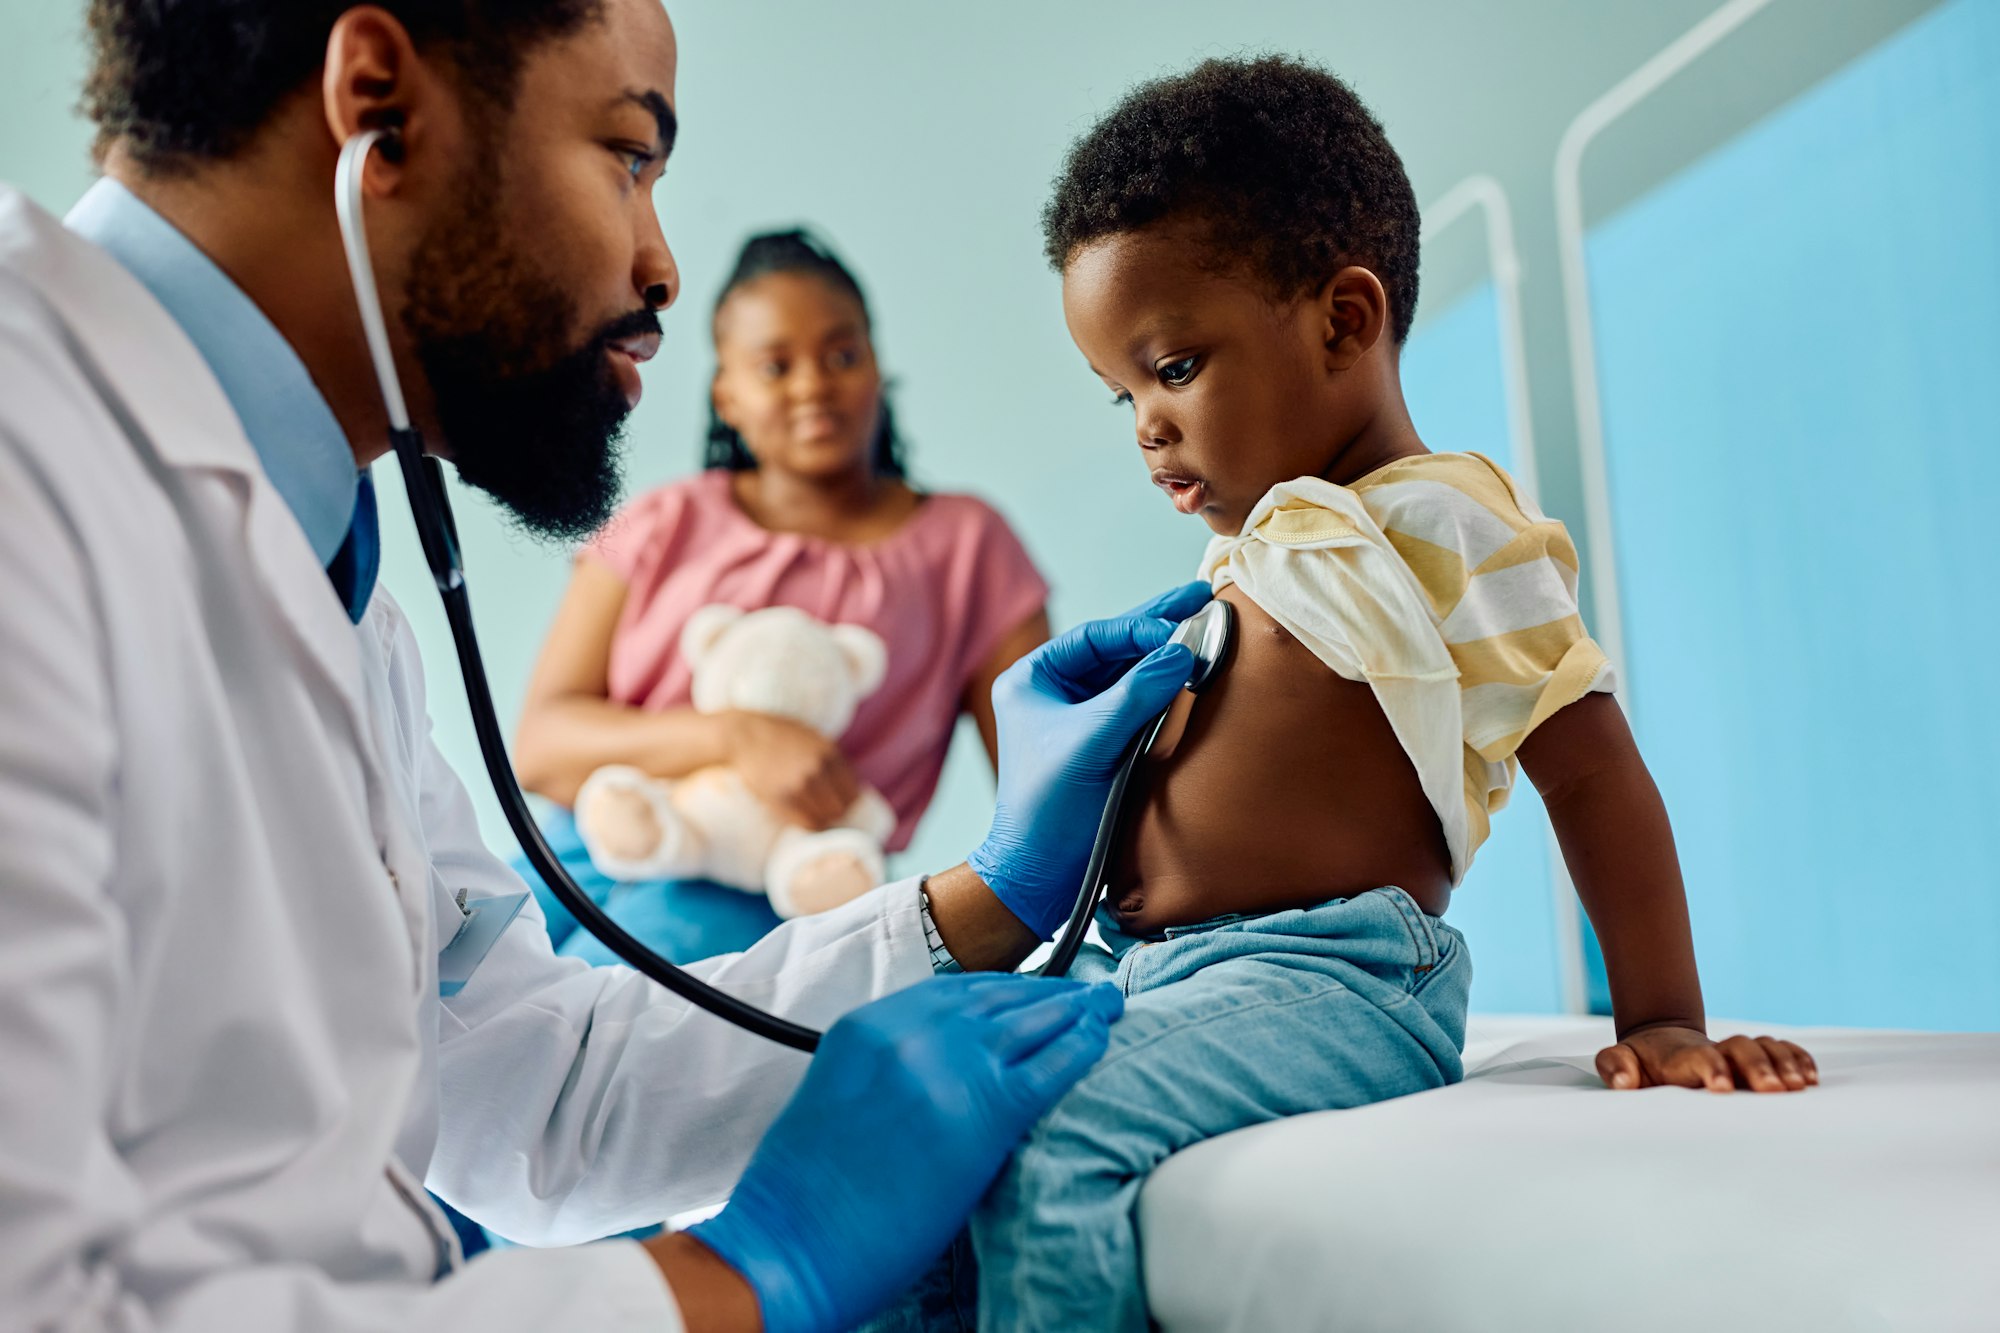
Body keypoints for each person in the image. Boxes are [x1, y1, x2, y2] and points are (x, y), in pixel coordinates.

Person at [0, 3, 1208, 1329]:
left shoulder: (323, 579)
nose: (659, 265)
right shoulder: (33, 467)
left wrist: (986, 897)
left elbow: (537, 1088)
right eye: (629, 156)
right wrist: (728, 1282)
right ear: (378, 102)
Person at [867, 55, 1824, 1332]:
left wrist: (1656, 1016)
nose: (1146, 425)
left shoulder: (1442, 521)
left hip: (1330, 976)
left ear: (1341, 320)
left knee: (1048, 1142)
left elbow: (1587, 767)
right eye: (1123, 394)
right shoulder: (1254, 554)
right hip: (1144, 971)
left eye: (1174, 366)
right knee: (907, 1128)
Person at [513, 228, 1049, 967]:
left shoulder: (969, 547)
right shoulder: (656, 523)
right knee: (445, 993)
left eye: (842, 355)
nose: (813, 385)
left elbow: (1043, 789)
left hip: (790, 894)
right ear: (725, 394)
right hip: (588, 845)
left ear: (877, 368)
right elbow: (541, 747)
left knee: (599, 1041)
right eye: (775, 365)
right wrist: (737, 737)